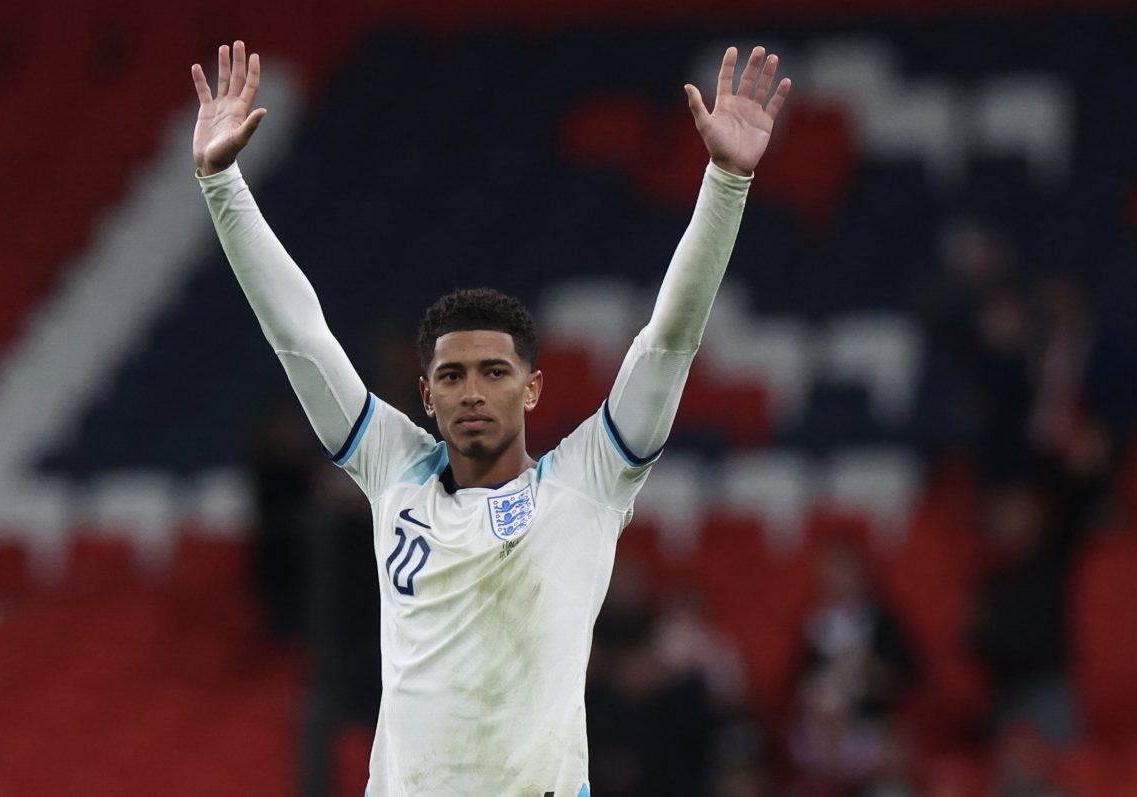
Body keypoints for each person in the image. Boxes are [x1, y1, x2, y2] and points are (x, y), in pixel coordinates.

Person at [190, 39, 791, 796]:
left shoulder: (588, 482)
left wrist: (727, 182)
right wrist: (221, 184)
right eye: (452, 376)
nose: (472, 391)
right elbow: (300, 335)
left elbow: (669, 340)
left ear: (532, 389)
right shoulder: (394, 470)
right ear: (426, 393)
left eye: (494, 372)